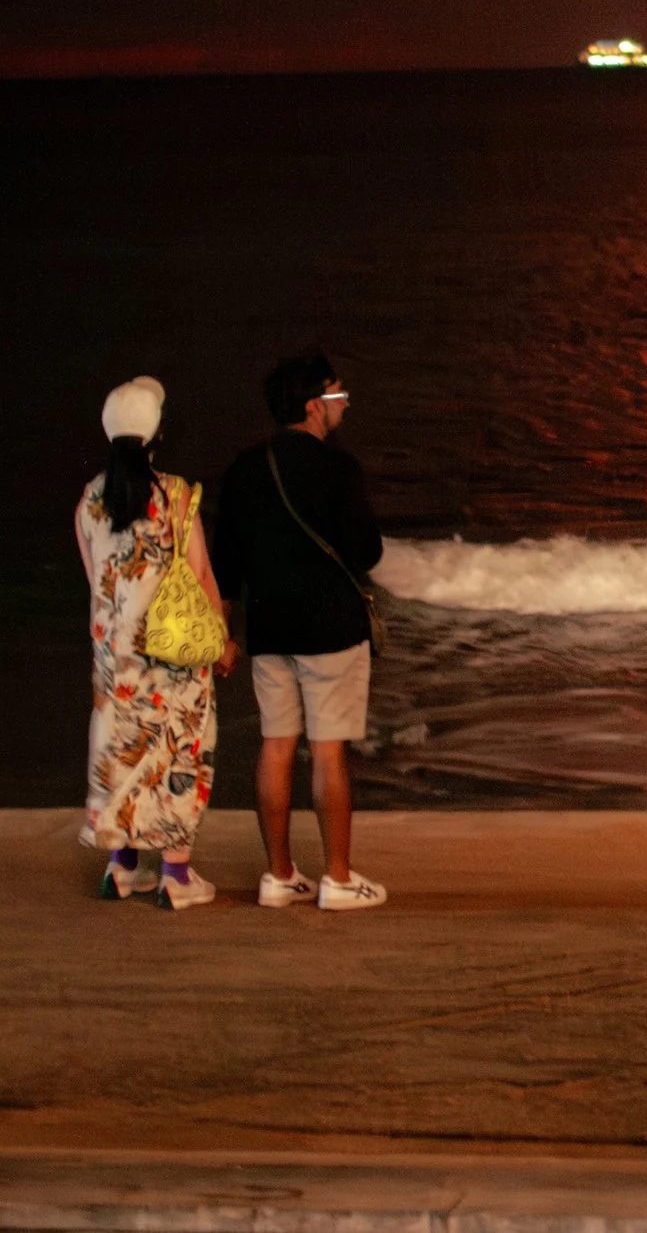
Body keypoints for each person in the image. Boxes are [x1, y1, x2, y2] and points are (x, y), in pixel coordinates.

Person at [212, 351, 388, 911]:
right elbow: (367, 552)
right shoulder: (339, 469)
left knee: (277, 745)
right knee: (329, 751)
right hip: (330, 628)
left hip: (269, 627)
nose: (343, 405)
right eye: (338, 396)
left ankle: (280, 876)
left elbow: (225, 563)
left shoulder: (244, 467)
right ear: (314, 406)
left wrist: (226, 630)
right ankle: (337, 878)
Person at [76, 377, 230, 910]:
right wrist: (222, 638)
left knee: (124, 754)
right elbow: (201, 574)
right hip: (171, 656)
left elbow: (95, 577)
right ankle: (175, 876)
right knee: (178, 753)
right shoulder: (176, 494)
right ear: (155, 435)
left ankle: (121, 870)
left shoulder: (90, 501)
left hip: (114, 658)